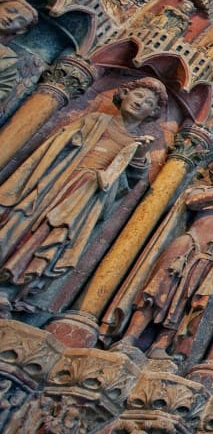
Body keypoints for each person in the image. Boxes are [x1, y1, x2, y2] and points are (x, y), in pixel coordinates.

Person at [0, 77, 166, 315]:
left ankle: (14, 288)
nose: (140, 103)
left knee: (56, 237)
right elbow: (59, 144)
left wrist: (139, 156)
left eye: (148, 103)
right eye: (138, 96)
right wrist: (72, 141)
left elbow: (130, 180)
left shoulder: (139, 142)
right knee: (25, 222)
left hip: (88, 197)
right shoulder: (96, 119)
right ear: (124, 95)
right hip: (60, 180)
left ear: (153, 113)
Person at [104, 147, 213, 358]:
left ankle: (160, 347)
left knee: (186, 300)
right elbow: (192, 202)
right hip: (187, 245)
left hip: (211, 257)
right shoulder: (205, 191)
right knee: (157, 290)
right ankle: (129, 337)